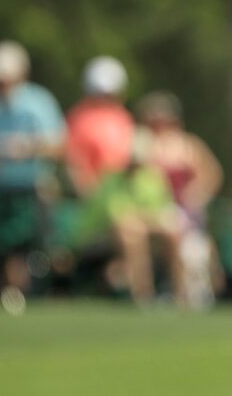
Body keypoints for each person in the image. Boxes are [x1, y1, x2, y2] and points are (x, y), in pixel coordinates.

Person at [63, 57, 184, 306]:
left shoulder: (147, 171)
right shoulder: (82, 122)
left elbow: (160, 209)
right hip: (98, 221)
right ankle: (144, 296)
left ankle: (182, 297)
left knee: (167, 231)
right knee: (131, 232)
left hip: (130, 221)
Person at [0, 40, 66, 296]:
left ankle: (44, 293)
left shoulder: (39, 102)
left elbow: (58, 145)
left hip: (35, 186)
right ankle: (13, 295)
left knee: (39, 246)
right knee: (6, 246)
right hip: (2, 186)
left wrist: (29, 148)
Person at [135, 91, 226, 308]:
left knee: (195, 244)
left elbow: (212, 174)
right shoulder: (140, 145)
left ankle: (197, 292)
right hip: (152, 211)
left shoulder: (188, 145)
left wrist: (196, 195)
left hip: (186, 211)